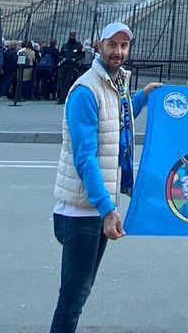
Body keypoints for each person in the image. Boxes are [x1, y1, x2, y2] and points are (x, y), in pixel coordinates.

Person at [49, 22, 160, 333]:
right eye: (112, 44)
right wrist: (107, 208)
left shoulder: (117, 81)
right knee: (73, 297)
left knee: (79, 294)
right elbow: (85, 158)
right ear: (99, 45)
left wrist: (142, 97)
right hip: (83, 211)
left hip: (97, 208)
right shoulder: (86, 90)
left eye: (124, 46)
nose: (119, 51)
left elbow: (117, 118)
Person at [57, 32, 85, 105]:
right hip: (64, 66)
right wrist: (62, 58)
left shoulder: (78, 45)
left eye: (73, 36)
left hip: (73, 66)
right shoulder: (65, 45)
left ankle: (63, 98)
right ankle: (60, 97)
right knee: (62, 82)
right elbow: (61, 54)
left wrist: (76, 59)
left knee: (68, 82)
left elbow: (82, 54)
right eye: (71, 36)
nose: (72, 37)